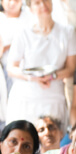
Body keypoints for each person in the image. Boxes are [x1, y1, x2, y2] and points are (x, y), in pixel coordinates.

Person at [6, 0, 76, 134]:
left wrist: (52, 76)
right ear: (31, 8)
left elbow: (71, 68)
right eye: (37, 3)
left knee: (52, 141)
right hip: (26, 97)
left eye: (46, 1)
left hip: (53, 96)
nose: (43, 5)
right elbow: (11, 68)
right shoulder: (23, 33)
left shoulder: (67, 32)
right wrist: (33, 78)